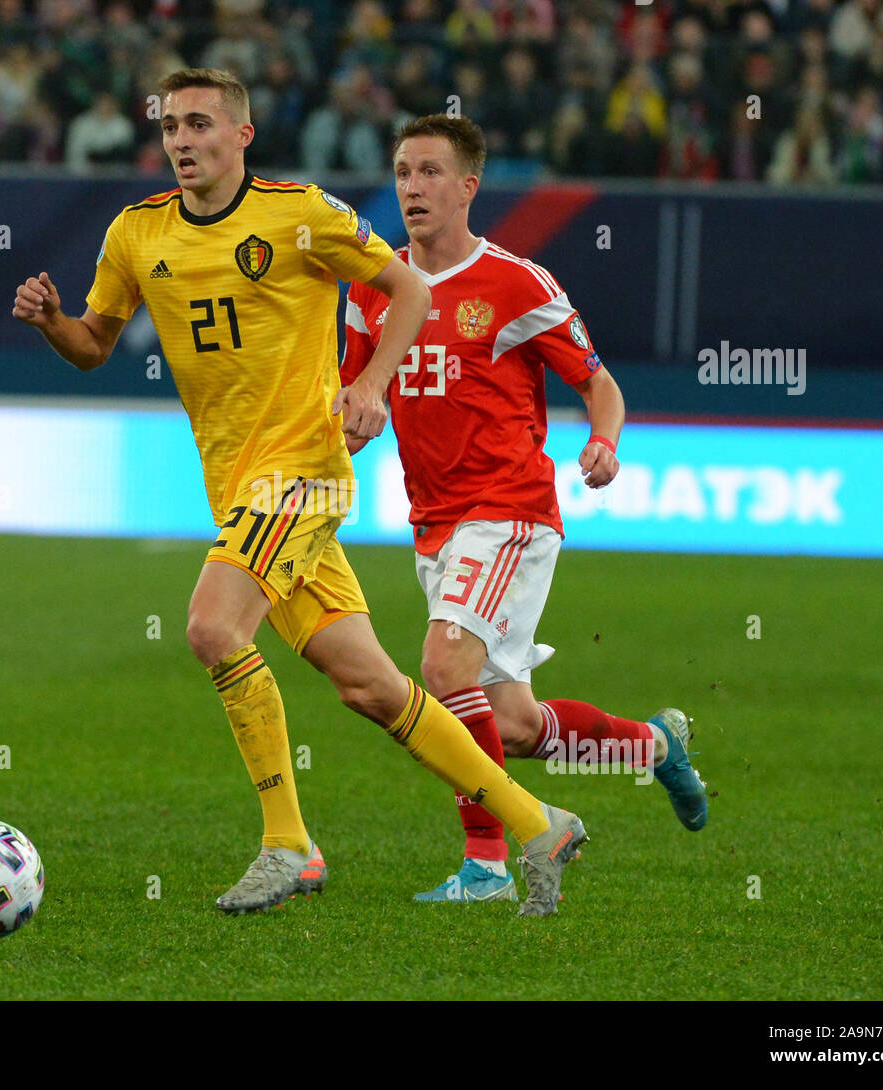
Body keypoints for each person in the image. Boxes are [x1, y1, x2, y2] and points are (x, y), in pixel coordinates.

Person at [13, 69, 586, 917]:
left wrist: (370, 388)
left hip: (304, 474)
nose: (180, 139)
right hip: (237, 487)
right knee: (374, 688)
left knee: (212, 627)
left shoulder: (301, 216)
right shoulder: (136, 234)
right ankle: (538, 820)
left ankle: (288, 844)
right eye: (170, 125)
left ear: (241, 136)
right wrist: (53, 323)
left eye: (200, 123)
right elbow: (96, 342)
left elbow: (411, 290)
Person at [341, 115, 708, 904]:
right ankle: (651, 748)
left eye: (431, 172)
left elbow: (599, 383)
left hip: (509, 511)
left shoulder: (517, 282)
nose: (412, 187)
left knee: (442, 670)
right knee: (509, 724)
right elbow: (351, 396)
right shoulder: (372, 291)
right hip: (434, 523)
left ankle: (488, 864)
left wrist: (604, 443)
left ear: (469, 186)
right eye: (403, 171)